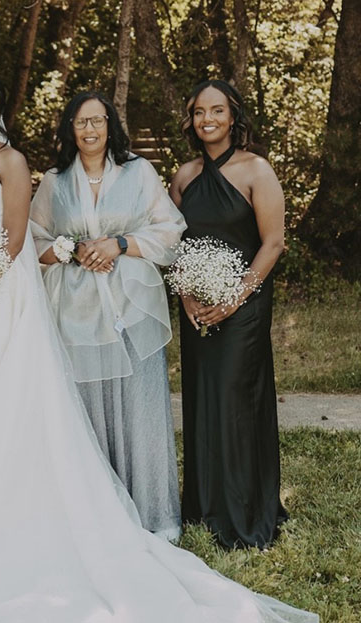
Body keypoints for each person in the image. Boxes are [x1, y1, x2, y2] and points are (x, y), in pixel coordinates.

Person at [0, 70, 316, 623]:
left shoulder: (27, 164)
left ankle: (43, 507)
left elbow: (15, 240)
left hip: (4, 301)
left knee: (24, 406)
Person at [30, 91, 185, 540]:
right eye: (81, 122)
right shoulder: (55, 182)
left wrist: (117, 244)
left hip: (131, 307)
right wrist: (70, 249)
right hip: (76, 312)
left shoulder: (138, 172)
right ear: (69, 129)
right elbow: (33, 241)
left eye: (97, 121)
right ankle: (97, 515)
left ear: (111, 125)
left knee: (141, 409)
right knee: (87, 410)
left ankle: (154, 516)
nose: (90, 130)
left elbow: (169, 229)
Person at [169, 79, 288, 549]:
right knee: (202, 398)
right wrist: (187, 296)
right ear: (192, 119)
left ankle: (243, 513)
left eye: (217, 111)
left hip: (244, 306)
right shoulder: (183, 176)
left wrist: (235, 297)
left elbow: (273, 242)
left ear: (233, 117)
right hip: (197, 306)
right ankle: (203, 507)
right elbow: (172, 243)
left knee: (236, 402)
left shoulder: (256, 170)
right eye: (200, 112)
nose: (208, 120)